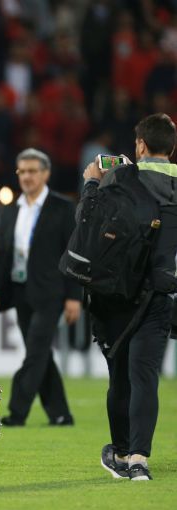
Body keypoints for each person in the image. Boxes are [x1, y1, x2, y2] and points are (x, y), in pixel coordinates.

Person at [84, 113, 177, 482]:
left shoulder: (122, 177)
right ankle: (139, 460)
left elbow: (89, 224)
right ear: (172, 147)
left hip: (117, 294)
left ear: (140, 145)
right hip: (160, 293)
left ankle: (121, 453)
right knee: (145, 377)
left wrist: (92, 183)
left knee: (120, 378)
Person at [0, 148, 81, 427]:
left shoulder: (63, 207)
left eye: (32, 171)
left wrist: (74, 296)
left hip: (51, 291)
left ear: (46, 174)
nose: (26, 177)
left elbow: (73, 253)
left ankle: (16, 412)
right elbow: (2, 254)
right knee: (39, 354)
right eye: (22, 171)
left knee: (36, 351)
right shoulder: (11, 210)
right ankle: (60, 414)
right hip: (19, 290)